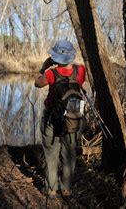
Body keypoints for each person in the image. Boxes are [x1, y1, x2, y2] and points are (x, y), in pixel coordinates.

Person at [34, 39, 86, 198]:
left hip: (53, 116)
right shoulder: (81, 71)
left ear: (56, 57)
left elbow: (37, 83)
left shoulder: (50, 73)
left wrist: (43, 67)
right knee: (69, 153)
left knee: (51, 153)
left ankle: (51, 189)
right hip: (74, 115)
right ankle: (67, 188)